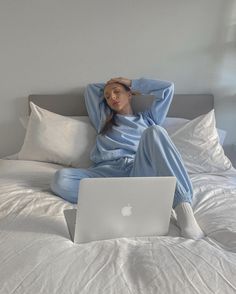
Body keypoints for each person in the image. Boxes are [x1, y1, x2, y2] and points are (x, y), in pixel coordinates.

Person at [50, 77, 205, 240]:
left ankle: (185, 214)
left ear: (130, 94)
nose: (112, 98)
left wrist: (131, 83)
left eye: (117, 92)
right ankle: (122, 197)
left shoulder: (148, 118)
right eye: (107, 96)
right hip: (106, 174)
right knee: (61, 179)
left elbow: (167, 89)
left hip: (137, 170)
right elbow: (90, 89)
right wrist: (113, 87)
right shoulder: (103, 119)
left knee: (155, 131)